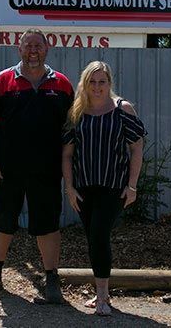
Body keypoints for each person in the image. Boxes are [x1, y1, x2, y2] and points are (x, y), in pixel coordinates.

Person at [0, 30, 74, 302]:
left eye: (38, 45)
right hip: (7, 169)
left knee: (48, 224)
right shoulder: (2, 81)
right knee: (3, 219)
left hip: (47, 170)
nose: (33, 50)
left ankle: (51, 279)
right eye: (28, 45)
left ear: (47, 48)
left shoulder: (63, 85)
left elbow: (70, 128)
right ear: (19, 49)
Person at [61, 61, 146, 316]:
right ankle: (103, 293)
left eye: (102, 82)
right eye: (93, 82)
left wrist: (132, 186)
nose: (97, 87)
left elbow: (137, 148)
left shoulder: (123, 110)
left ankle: (102, 299)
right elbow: (66, 154)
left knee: (98, 235)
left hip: (114, 187)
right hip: (84, 188)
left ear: (110, 84)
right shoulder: (76, 111)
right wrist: (69, 188)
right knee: (93, 239)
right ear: (85, 83)